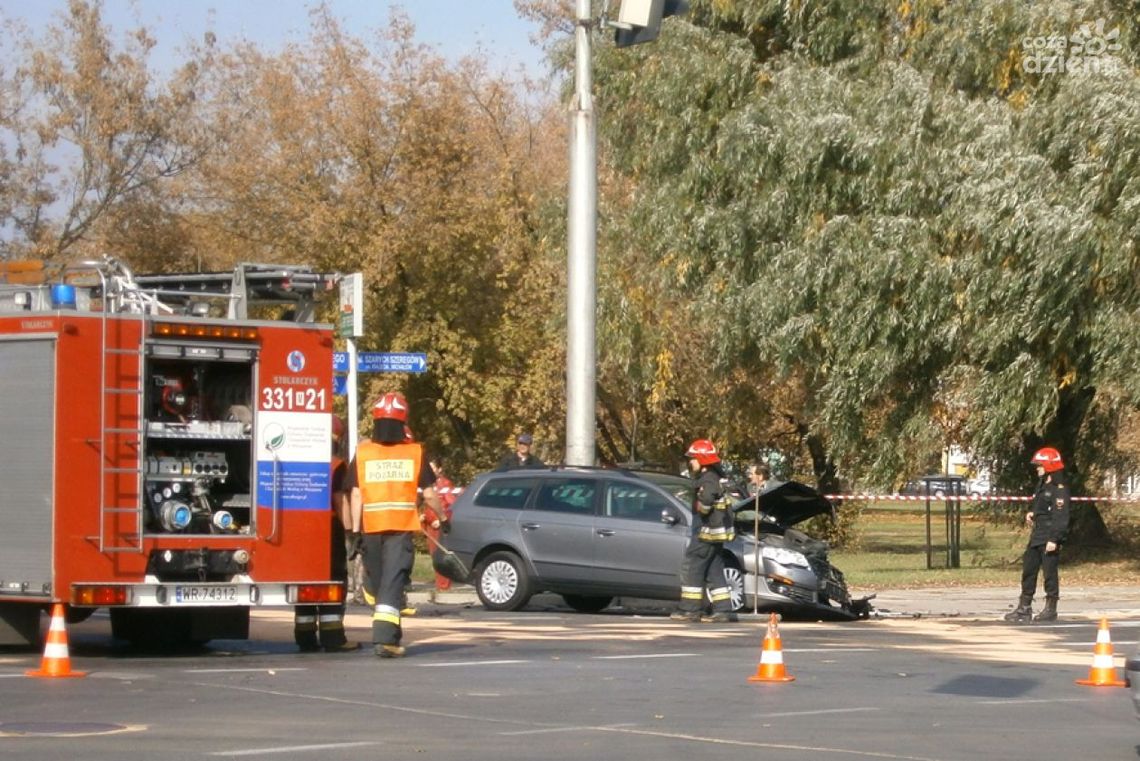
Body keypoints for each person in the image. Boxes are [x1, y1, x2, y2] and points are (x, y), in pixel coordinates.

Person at [347, 392, 446, 657]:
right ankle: (386, 640)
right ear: (403, 421)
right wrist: (444, 518)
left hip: (370, 528)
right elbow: (428, 494)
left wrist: (354, 532)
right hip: (399, 529)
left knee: (383, 583)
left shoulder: (364, 452)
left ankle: (388, 628)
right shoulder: (414, 452)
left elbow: (355, 494)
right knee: (392, 582)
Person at [294, 415, 359, 652]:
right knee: (331, 580)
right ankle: (333, 638)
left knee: (305, 583)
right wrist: (352, 531)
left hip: (300, 530)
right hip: (327, 531)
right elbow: (340, 500)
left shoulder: (299, 463)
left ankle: (305, 636)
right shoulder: (335, 465)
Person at [670, 439, 738, 624]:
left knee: (692, 569)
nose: (690, 462)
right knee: (714, 572)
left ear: (702, 459)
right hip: (714, 537)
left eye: (692, 459)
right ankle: (723, 610)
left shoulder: (707, 480)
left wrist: (701, 506)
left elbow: (706, 504)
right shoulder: (715, 478)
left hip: (704, 535)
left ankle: (690, 610)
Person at [1003, 447, 1071, 623]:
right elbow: (1042, 506)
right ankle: (1024, 607)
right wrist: (1033, 513)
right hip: (1037, 534)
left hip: (1049, 535)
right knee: (1029, 569)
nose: (1037, 468)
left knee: (1049, 574)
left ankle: (1050, 609)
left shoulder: (1059, 488)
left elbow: (1061, 517)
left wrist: (1054, 540)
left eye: (1039, 465)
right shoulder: (1042, 485)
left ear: (1049, 465)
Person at [425, 457, 457, 591]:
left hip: (440, 525)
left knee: (441, 554)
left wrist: (442, 519)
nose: (431, 472)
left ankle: (444, 586)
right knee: (433, 554)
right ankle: (440, 584)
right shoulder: (427, 485)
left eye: (433, 469)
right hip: (429, 524)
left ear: (439, 469)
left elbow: (452, 505)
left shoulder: (445, 484)